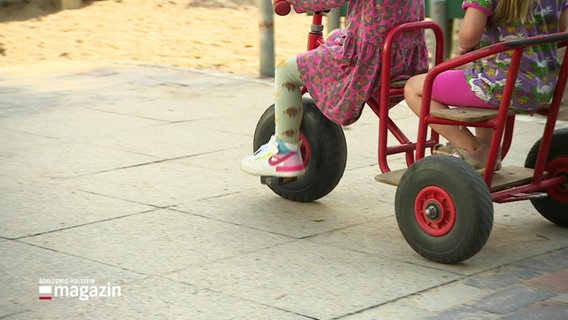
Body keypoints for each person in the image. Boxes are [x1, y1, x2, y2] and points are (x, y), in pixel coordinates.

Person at [241, 0, 429, 177]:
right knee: (336, 36)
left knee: (286, 71)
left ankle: (284, 153)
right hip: (403, 57)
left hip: (368, 63)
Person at [404, 0, 568, 170]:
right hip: (542, 86)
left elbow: (467, 38)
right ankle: (489, 151)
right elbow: (562, 28)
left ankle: (472, 149)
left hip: (498, 85)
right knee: (477, 76)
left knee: (414, 88)